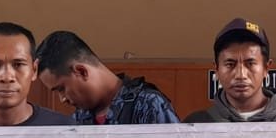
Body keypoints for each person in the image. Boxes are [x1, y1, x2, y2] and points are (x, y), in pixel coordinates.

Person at [35, 30, 180, 125]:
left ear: (81, 71)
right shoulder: (79, 119)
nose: (62, 99)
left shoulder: (148, 105)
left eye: (61, 89)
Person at [186, 18, 276, 123]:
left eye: (250, 63)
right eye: (230, 64)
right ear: (217, 69)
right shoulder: (197, 124)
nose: (241, 75)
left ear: (266, 68)